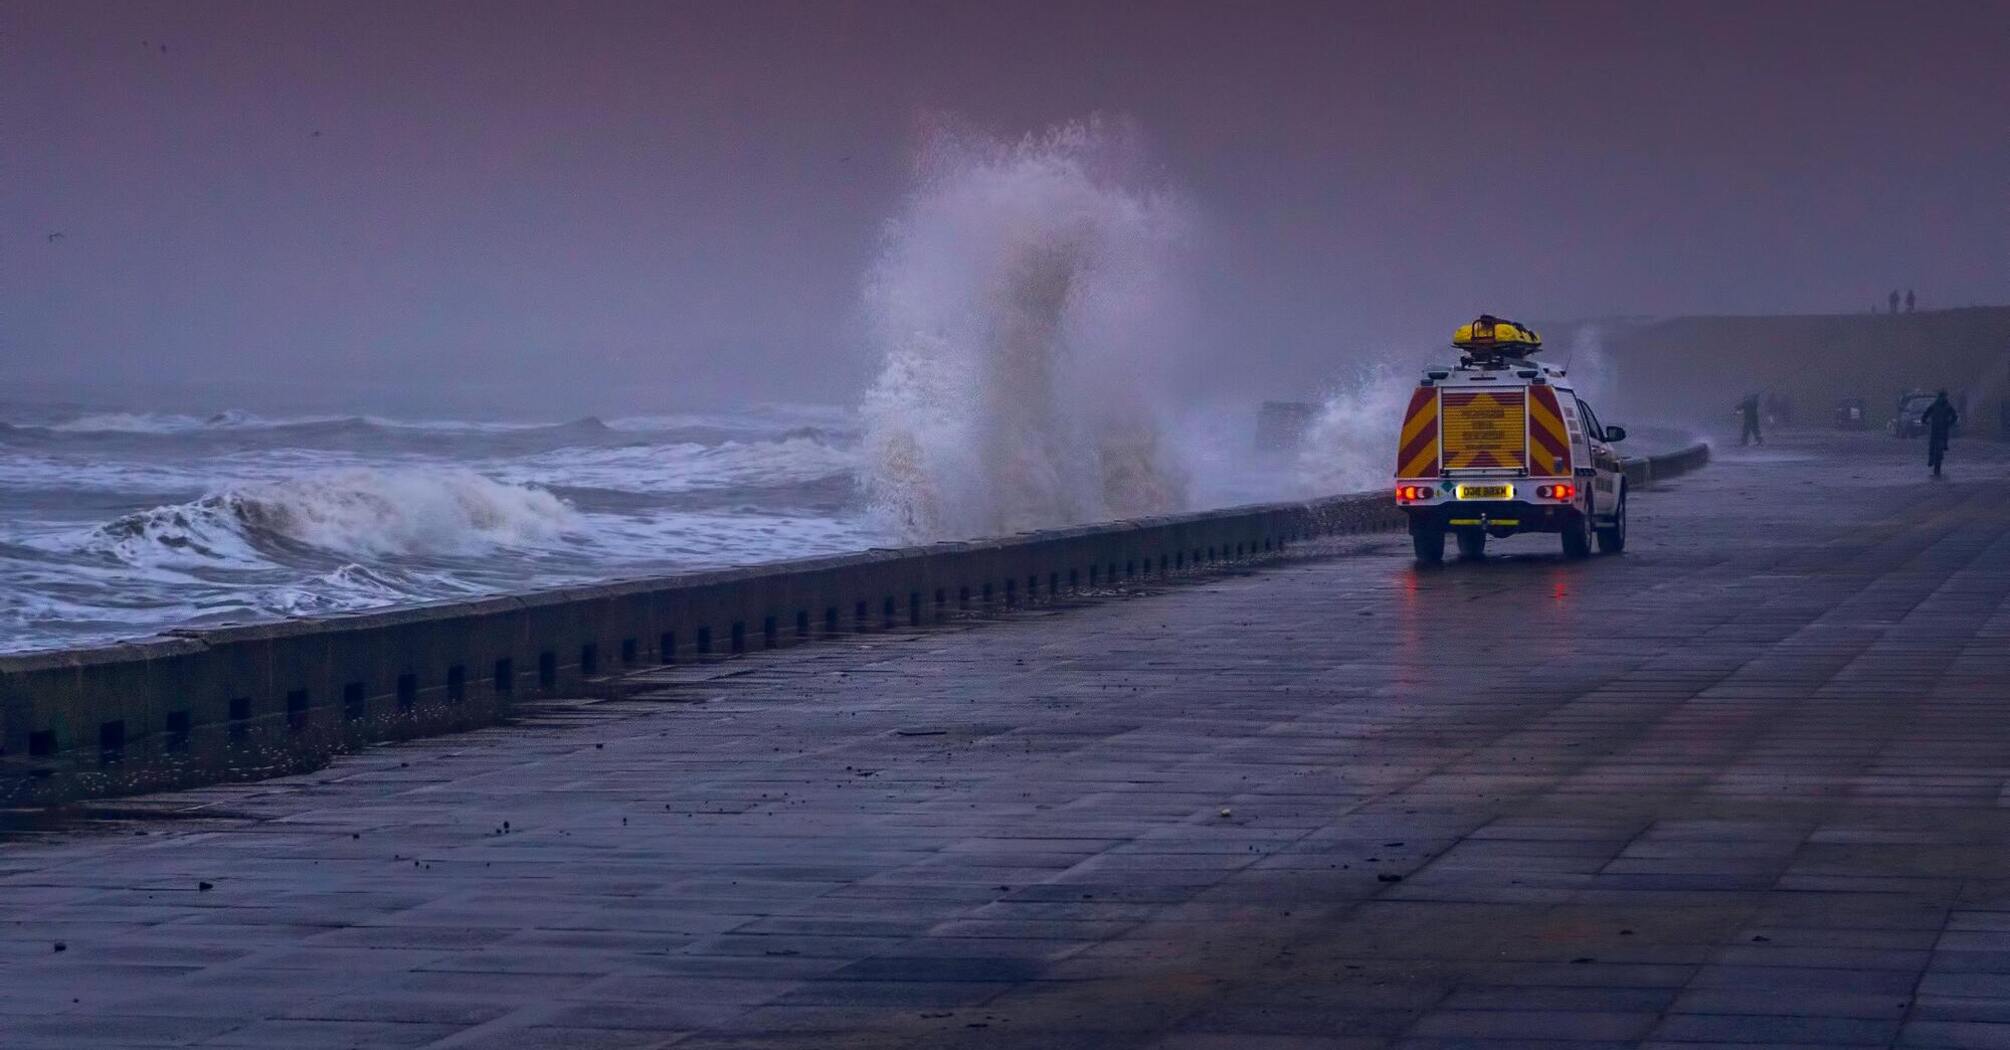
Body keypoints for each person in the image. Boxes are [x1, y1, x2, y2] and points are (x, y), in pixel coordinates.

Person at [1922, 390, 1958, 477]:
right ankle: (1931, 458)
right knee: (1933, 443)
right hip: (1937, 429)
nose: (1943, 398)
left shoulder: (1945, 406)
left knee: (1937, 443)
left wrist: (1950, 423)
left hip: (1941, 429)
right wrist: (1924, 420)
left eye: (1944, 396)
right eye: (1943, 396)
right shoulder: (1937, 405)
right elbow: (1926, 413)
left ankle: (1935, 456)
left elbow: (1954, 416)